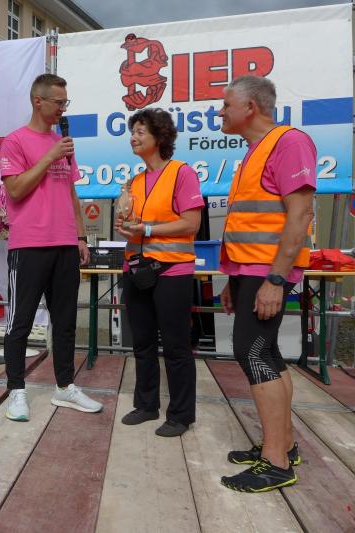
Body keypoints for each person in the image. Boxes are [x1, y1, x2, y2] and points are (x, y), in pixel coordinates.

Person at [217, 75, 315, 492]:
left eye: (226, 105)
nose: (220, 112)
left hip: (268, 271)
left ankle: (275, 463)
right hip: (250, 271)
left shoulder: (288, 142)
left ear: (249, 107)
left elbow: (300, 215)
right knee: (267, 352)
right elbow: (250, 221)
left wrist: (275, 278)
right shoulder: (254, 151)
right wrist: (233, 280)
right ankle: (284, 446)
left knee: (253, 353)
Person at [0, 73, 103, 421]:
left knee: (66, 322)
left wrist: (81, 237)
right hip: (29, 245)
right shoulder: (15, 141)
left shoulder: (63, 143)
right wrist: (48, 157)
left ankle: (64, 386)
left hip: (65, 245)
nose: (63, 108)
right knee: (20, 322)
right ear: (38, 101)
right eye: (59, 102)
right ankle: (16, 390)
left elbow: (71, 193)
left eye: (65, 102)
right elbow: (16, 190)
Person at [114, 108, 203, 437]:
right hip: (136, 269)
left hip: (172, 270)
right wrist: (126, 225)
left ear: (160, 137)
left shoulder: (182, 173)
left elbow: (191, 223)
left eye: (140, 131)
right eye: (132, 132)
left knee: (177, 346)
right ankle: (146, 405)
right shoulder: (134, 182)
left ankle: (180, 414)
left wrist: (148, 229)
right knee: (142, 342)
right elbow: (132, 223)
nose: (133, 138)